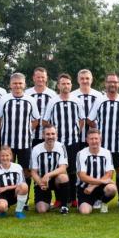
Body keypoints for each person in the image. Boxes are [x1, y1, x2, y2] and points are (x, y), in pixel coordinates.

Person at [88, 73, 119, 208]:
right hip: (102, 146)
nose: (112, 84)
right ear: (105, 84)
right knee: (101, 173)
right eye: (110, 82)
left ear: (118, 84)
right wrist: (99, 132)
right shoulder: (99, 100)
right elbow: (90, 120)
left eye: (115, 82)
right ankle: (98, 198)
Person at [0, 72, 41, 208]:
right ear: (10, 85)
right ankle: (5, 198)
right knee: (6, 169)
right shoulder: (4, 99)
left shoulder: (30, 99)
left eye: (20, 83)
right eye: (15, 83)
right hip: (8, 144)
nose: (17, 86)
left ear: (24, 84)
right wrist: (4, 129)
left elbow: (36, 120)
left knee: (26, 171)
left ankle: (24, 201)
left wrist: (27, 130)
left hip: (25, 143)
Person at [42, 73, 86, 208]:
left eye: (68, 83)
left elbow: (81, 120)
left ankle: (73, 198)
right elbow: (45, 121)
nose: (65, 86)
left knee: (73, 171)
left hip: (73, 142)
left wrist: (75, 133)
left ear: (71, 85)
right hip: (58, 143)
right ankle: (60, 199)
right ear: (58, 85)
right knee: (58, 171)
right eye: (63, 84)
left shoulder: (77, 100)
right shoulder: (53, 101)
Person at [30, 124, 72, 214]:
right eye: (47, 134)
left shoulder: (61, 146)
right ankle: (48, 203)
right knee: (41, 210)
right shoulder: (36, 149)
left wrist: (48, 175)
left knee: (63, 177)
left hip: (56, 180)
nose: (50, 136)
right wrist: (40, 183)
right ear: (43, 135)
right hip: (42, 181)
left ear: (56, 135)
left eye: (53, 134)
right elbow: (33, 172)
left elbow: (63, 167)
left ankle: (64, 205)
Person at [75, 129, 117, 215]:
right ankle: (89, 201)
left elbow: (109, 174)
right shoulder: (81, 154)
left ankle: (103, 202)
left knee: (112, 188)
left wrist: (93, 186)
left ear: (100, 139)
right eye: (91, 139)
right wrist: (101, 181)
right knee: (84, 212)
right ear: (87, 140)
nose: (94, 141)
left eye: (96, 138)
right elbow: (82, 176)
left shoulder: (107, 153)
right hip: (85, 188)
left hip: (100, 187)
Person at [0, 146, 29, 219]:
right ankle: (2, 210)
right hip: (1, 196)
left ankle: (19, 211)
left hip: (14, 194)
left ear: (11, 156)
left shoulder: (18, 167)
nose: (5, 158)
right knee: (2, 206)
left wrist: (6, 188)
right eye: (2, 156)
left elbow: (22, 184)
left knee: (24, 186)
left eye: (7, 155)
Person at [25, 67, 57, 147]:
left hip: (47, 135)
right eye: (38, 77)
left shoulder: (52, 95)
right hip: (30, 135)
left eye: (43, 77)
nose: (40, 79)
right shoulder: (27, 94)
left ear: (46, 78)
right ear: (34, 78)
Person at [70, 69, 104, 142]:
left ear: (91, 80)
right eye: (82, 78)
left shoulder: (99, 96)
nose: (85, 81)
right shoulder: (72, 95)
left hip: (94, 136)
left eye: (87, 78)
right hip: (76, 136)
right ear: (78, 80)